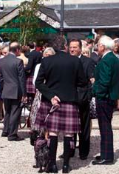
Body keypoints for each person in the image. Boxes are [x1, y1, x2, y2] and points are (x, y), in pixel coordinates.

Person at [34, 37, 86, 173]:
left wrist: (51, 96)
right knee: (69, 134)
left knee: (52, 133)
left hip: (52, 102)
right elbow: (82, 82)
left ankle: (52, 164)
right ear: (65, 46)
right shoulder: (75, 61)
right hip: (70, 100)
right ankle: (65, 165)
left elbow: (38, 83)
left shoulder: (46, 61)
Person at [92, 36, 119, 166]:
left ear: (102, 46)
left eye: (98, 45)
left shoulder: (106, 60)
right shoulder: (113, 58)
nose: (97, 47)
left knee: (105, 128)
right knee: (105, 127)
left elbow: (104, 81)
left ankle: (107, 156)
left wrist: (97, 93)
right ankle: (105, 153)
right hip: (110, 97)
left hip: (105, 98)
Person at [69, 38, 96, 160]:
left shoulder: (88, 61)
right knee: (69, 125)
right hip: (69, 97)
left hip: (83, 97)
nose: (72, 49)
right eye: (70, 47)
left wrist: (89, 96)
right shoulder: (67, 61)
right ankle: (70, 150)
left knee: (84, 125)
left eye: (74, 47)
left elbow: (92, 80)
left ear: (80, 48)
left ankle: (83, 151)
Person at [0, 42, 26, 141]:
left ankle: (5, 130)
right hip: (16, 90)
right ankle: (12, 134)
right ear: (17, 50)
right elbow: (22, 79)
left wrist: (2, 90)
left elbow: (0, 78)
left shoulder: (1, 61)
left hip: (6, 89)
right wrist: (24, 93)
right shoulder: (18, 61)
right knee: (15, 112)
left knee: (8, 111)